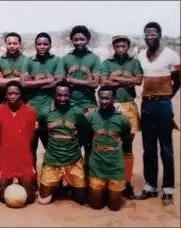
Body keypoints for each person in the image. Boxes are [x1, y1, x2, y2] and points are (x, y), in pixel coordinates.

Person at [136, 22, 180, 206]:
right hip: (146, 104)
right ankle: (150, 187)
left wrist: (167, 97)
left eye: (152, 34)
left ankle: (168, 190)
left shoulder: (171, 54)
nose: (149, 37)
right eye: (146, 34)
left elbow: (178, 80)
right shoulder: (140, 56)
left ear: (160, 34)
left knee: (166, 149)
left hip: (163, 105)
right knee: (148, 148)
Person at [99, 35, 144, 199]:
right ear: (113, 47)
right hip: (112, 106)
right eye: (117, 46)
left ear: (128, 46)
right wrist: (127, 81)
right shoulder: (107, 63)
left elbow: (139, 81)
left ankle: (125, 182)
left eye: (123, 46)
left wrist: (115, 78)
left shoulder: (134, 62)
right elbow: (104, 82)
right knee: (109, 143)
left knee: (127, 145)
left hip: (129, 105)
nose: (120, 49)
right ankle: (109, 179)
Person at [37, 80, 88, 206]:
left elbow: (84, 132)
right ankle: (56, 185)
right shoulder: (45, 112)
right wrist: (50, 147)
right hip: (52, 159)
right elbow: (43, 132)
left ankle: (69, 186)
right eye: (59, 95)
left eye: (66, 95)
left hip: (73, 159)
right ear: (54, 95)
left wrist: (75, 147)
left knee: (82, 199)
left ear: (70, 95)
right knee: (43, 200)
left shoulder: (77, 112)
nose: (62, 98)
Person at [20, 32, 64, 174]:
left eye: (45, 44)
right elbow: (23, 84)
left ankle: (53, 179)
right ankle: (32, 177)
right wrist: (48, 80)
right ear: (35, 45)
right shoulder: (29, 61)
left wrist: (33, 82)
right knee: (30, 147)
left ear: (50, 45)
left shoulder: (57, 60)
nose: (42, 46)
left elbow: (59, 81)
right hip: (31, 108)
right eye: (39, 44)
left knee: (51, 146)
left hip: (51, 109)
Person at [60, 25, 101, 177]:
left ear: (88, 40)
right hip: (70, 107)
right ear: (71, 40)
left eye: (82, 39)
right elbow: (62, 82)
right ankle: (72, 178)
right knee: (71, 144)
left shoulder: (94, 58)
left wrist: (73, 80)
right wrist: (84, 82)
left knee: (90, 144)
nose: (79, 42)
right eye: (76, 39)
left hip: (89, 106)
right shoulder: (66, 59)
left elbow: (95, 83)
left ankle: (89, 176)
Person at [87, 86, 131, 211]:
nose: (104, 101)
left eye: (107, 98)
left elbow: (126, 137)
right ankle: (101, 191)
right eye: (101, 98)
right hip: (97, 165)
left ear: (114, 99)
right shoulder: (91, 117)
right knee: (95, 205)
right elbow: (87, 139)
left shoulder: (122, 119)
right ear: (98, 98)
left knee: (114, 207)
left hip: (115, 165)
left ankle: (112, 192)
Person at [0, 81, 37, 205]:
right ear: (6, 95)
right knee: (4, 198)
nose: (13, 96)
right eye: (10, 94)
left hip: (24, 157)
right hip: (6, 156)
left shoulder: (30, 113)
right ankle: (0, 186)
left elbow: (31, 136)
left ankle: (30, 183)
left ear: (21, 95)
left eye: (16, 93)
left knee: (29, 199)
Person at [0, 32, 27, 106]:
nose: (12, 46)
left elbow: (26, 82)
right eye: (9, 43)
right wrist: (19, 79)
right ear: (5, 44)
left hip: (22, 102)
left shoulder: (26, 61)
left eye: (15, 43)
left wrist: (5, 81)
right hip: (3, 101)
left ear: (20, 44)